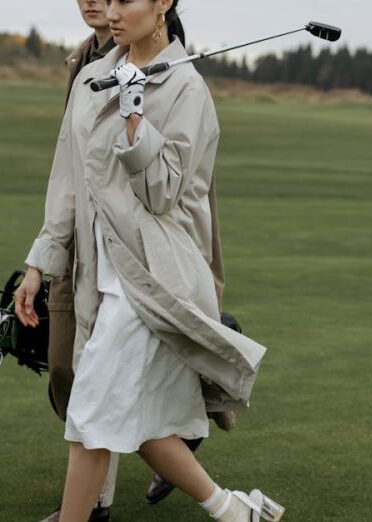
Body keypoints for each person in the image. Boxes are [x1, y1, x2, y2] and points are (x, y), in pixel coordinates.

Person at [14, 0, 285, 521]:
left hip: (152, 279)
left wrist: (135, 116)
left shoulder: (187, 90)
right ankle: (236, 512)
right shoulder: (94, 76)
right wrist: (38, 265)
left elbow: (163, 193)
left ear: (163, 3)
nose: (111, 11)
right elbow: (67, 181)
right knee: (136, 421)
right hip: (98, 276)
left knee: (92, 417)